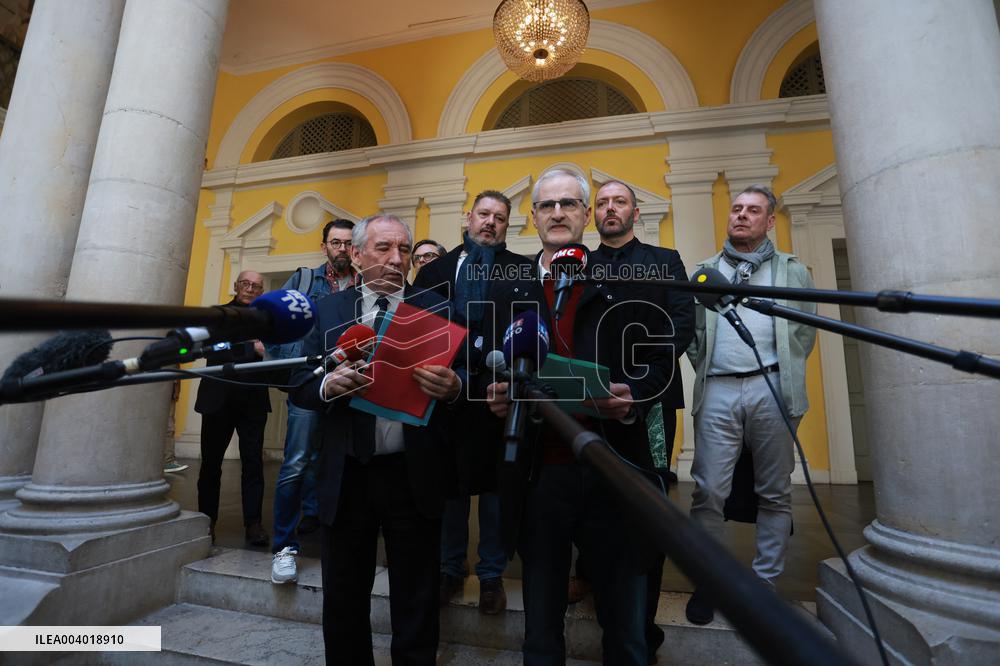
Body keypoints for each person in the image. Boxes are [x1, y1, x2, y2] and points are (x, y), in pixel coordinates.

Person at [486, 169, 672, 665]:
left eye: (569, 204)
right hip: (539, 474)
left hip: (613, 468)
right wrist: (496, 397)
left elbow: (660, 364)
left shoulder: (624, 279)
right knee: (541, 629)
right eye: (547, 206)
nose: (558, 213)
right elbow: (488, 364)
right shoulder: (512, 288)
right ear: (533, 218)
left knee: (626, 632)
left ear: (586, 215)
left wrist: (631, 397)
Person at [290, 214, 464, 665]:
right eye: (383, 248)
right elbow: (297, 382)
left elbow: (470, 377)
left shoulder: (437, 307)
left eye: (403, 250)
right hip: (347, 476)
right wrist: (327, 385)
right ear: (356, 254)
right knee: (345, 597)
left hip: (414, 474)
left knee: (418, 598)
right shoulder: (327, 310)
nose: (396, 259)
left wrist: (455, 388)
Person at [685, 184, 817, 625]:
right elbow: (693, 337)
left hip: (772, 387)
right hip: (718, 388)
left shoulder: (791, 270)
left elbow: (804, 334)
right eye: (736, 209)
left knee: (774, 493)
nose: (741, 216)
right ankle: (711, 581)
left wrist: (781, 373)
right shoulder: (705, 270)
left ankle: (763, 586)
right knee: (708, 492)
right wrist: (709, 364)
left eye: (752, 210)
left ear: (769, 221)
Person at [413, 190, 534, 614]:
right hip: (442, 393)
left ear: (506, 225)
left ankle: (491, 575)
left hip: (494, 394)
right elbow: (416, 329)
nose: (490, 223)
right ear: (468, 217)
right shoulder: (434, 272)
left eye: (499, 218)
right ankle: (450, 569)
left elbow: (529, 330)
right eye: (484, 214)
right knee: (450, 487)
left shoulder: (523, 270)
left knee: (496, 489)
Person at [590, 179, 695, 662]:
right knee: (594, 511)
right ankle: (606, 610)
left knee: (645, 509)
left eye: (620, 202)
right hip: (589, 407)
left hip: (647, 405)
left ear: (636, 212)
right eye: (602, 203)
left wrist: (640, 385)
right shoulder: (579, 263)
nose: (610, 209)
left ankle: (641, 630)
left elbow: (680, 325)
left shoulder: (665, 260)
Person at [269, 219, 359, 585]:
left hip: (351, 386)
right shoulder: (305, 281)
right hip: (308, 383)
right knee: (295, 463)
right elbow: (275, 322)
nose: (341, 248)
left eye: (347, 243)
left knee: (340, 459)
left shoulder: (364, 284)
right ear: (324, 247)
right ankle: (284, 547)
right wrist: (291, 361)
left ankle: (326, 526)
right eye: (335, 242)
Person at [195, 270, 271, 546]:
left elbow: (273, 351)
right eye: (246, 284)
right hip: (217, 398)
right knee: (210, 466)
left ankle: (253, 524)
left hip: (252, 399)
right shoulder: (217, 314)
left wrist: (257, 349)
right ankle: (206, 522)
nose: (250, 289)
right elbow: (211, 349)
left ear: (261, 291)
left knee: (253, 465)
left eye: (256, 286)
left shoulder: (267, 317)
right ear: (236, 286)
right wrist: (252, 349)